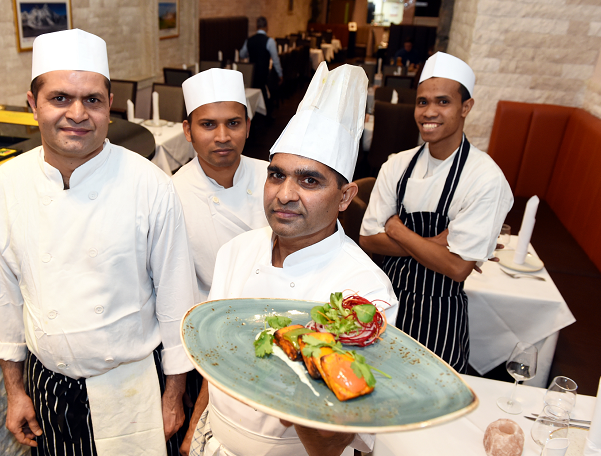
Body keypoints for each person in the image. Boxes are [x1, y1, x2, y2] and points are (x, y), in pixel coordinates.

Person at [0, 29, 198, 455]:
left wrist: (175, 397)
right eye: (60, 98)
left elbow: (177, 299)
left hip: (135, 384)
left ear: (109, 106)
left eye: (92, 100)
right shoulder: (4, 186)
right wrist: (14, 390)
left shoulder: (150, 185)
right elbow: (3, 295)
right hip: (49, 387)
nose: (77, 113)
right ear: (33, 105)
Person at [183, 63, 399, 456]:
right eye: (276, 175)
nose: (284, 194)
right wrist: (195, 429)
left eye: (309, 180)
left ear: (346, 196)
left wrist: (295, 377)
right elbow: (213, 363)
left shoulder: (362, 294)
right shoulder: (237, 251)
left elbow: (335, 442)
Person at [358, 52, 514, 374]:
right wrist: (436, 244)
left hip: (440, 319)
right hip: (387, 305)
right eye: (422, 102)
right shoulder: (396, 165)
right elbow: (368, 239)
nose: (429, 112)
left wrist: (398, 230)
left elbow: (457, 268)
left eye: (443, 102)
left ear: (465, 108)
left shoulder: (484, 178)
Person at [173, 69, 269, 303]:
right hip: (211, 310)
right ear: (188, 130)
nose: (223, 136)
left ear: (247, 126)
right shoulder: (172, 194)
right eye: (208, 124)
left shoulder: (272, 177)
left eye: (233, 123)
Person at [239, 16, 283, 115]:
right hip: (263, 73)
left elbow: (242, 54)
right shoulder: (269, 41)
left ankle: (254, 113)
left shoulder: (249, 40)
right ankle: (266, 114)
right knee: (264, 90)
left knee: (256, 90)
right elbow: (275, 60)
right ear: (266, 27)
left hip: (252, 73)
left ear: (256, 26)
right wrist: (280, 73)